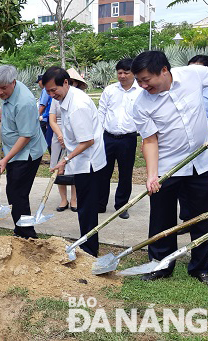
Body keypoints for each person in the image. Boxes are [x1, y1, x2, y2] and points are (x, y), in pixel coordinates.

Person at [131, 51, 208, 287]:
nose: (142, 85)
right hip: (168, 167)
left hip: (203, 163)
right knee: (162, 219)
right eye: (138, 80)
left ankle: (199, 268)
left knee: (203, 218)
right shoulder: (141, 104)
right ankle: (160, 265)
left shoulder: (192, 75)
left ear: (164, 71)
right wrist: (151, 175)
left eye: (146, 79)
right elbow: (150, 140)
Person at [45, 66, 107, 257]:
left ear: (66, 82)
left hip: (88, 163)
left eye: (54, 90)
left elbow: (87, 140)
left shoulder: (78, 105)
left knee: (87, 209)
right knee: (85, 208)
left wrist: (65, 160)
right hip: (82, 160)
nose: (51, 95)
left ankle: (89, 249)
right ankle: (86, 242)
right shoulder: (67, 99)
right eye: (47, 92)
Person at [0, 65, 47, 239]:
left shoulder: (24, 102)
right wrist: (2, 112)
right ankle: (20, 230)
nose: (0, 92)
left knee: (18, 194)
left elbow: (26, 137)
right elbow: (7, 103)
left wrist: (5, 159)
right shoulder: (10, 90)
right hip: (14, 150)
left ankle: (28, 235)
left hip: (26, 153)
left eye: (3, 88)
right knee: (14, 192)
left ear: (13, 83)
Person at [97, 59, 142, 219]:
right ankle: (100, 204)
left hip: (128, 139)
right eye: (119, 72)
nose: (122, 76)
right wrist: (98, 134)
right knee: (103, 172)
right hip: (108, 137)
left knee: (125, 173)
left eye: (126, 72)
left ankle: (121, 206)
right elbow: (101, 112)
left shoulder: (140, 91)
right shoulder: (110, 90)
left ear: (133, 73)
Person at [47, 70, 87, 214]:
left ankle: (74, 199)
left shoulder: (79, 100)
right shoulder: (55, 98)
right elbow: (52, 119)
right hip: (58, 137)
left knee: (74, 167)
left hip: (76, 138)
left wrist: (69, 138)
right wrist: (60, 135)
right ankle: (63, 199)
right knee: (58, 168)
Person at [38, 75, 53, 151]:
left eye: (39, 82)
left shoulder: (45, 90)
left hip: (45, 118)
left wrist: (38, 116)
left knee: (46, 140)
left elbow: (43, 105)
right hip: (48, 117)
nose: (38, 84)